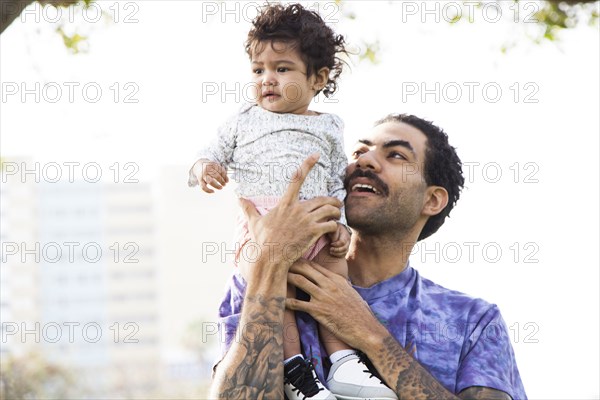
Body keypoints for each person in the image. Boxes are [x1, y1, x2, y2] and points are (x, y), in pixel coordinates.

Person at [212, 114, 528, 399]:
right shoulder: (264, 281)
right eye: (360, 151)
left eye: (395, 155)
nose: (366, 161)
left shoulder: (473, 321)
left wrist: (369, 334)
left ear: (432, 199)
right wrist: (271, 264)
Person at [188, 4, 396, 399]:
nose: (267, 79)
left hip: (317, 223)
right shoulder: (243, 120)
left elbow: (336, 177)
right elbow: (207, 153)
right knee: (271, 288)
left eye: (282, 69)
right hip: (262, 226)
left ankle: (344, 362)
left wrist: (339, 225)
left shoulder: (329, 125)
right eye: (258, 70)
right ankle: (294, 369)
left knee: (336, 279)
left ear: (317, 78)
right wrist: (205, 170)